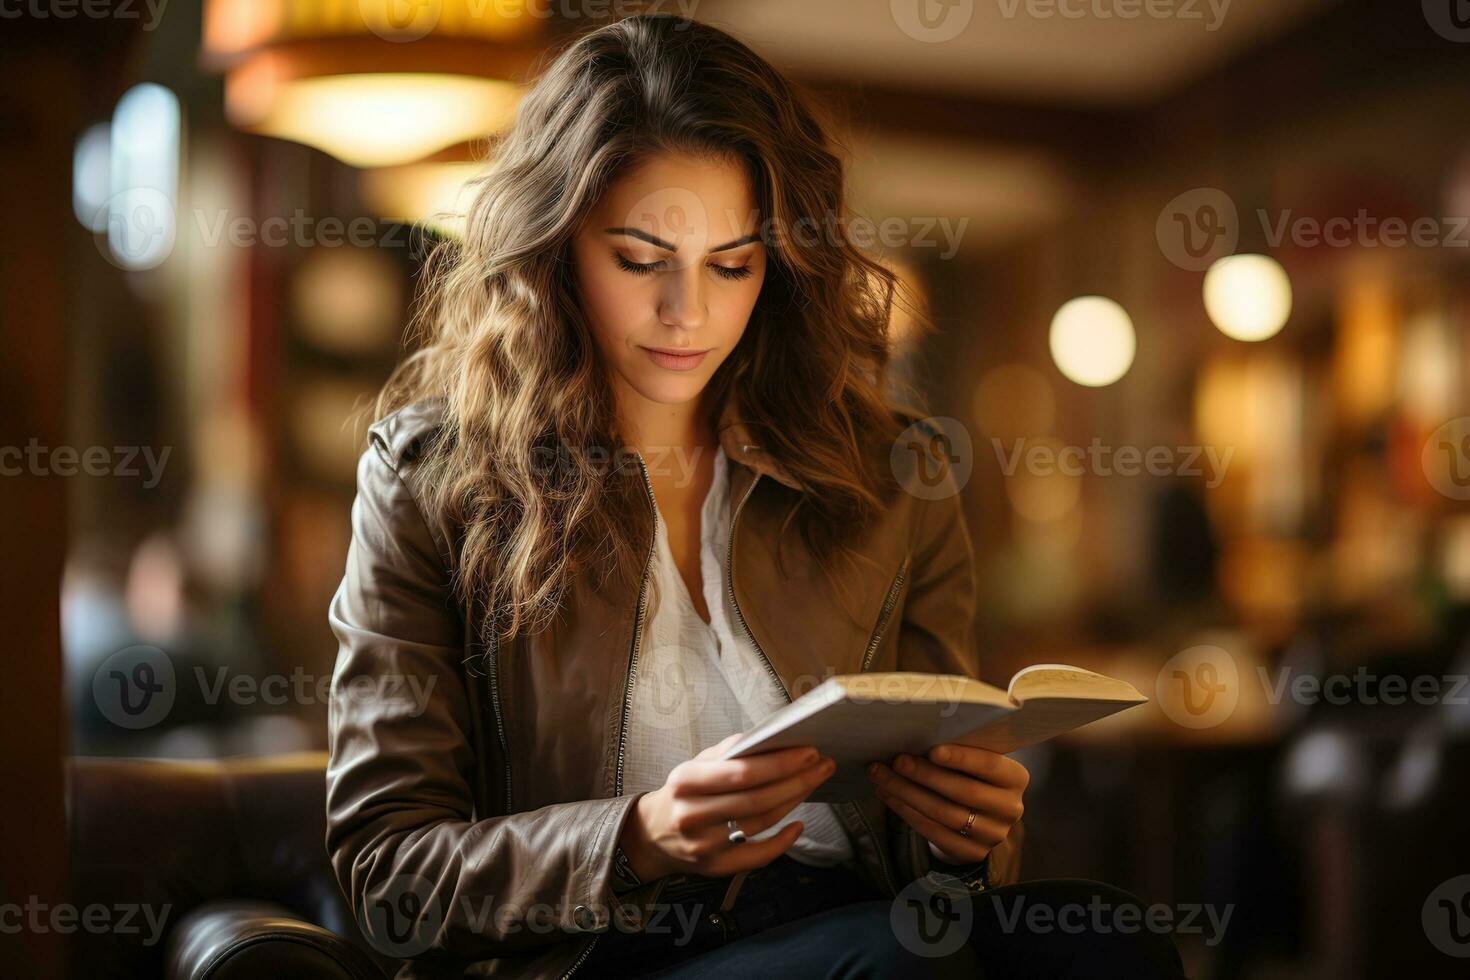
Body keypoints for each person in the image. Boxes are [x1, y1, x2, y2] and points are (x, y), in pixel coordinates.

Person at [325, 13, 1183, 979]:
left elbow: (943, 845)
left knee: (1118, 943)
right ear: (554, 246)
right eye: (642, 260)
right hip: (601, 954)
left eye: (732, 265)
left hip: (859, 924)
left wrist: (962, 835)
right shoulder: (434, 475)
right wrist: (637, 838)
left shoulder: (895, 473)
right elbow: (388, 873)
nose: (687, 312)